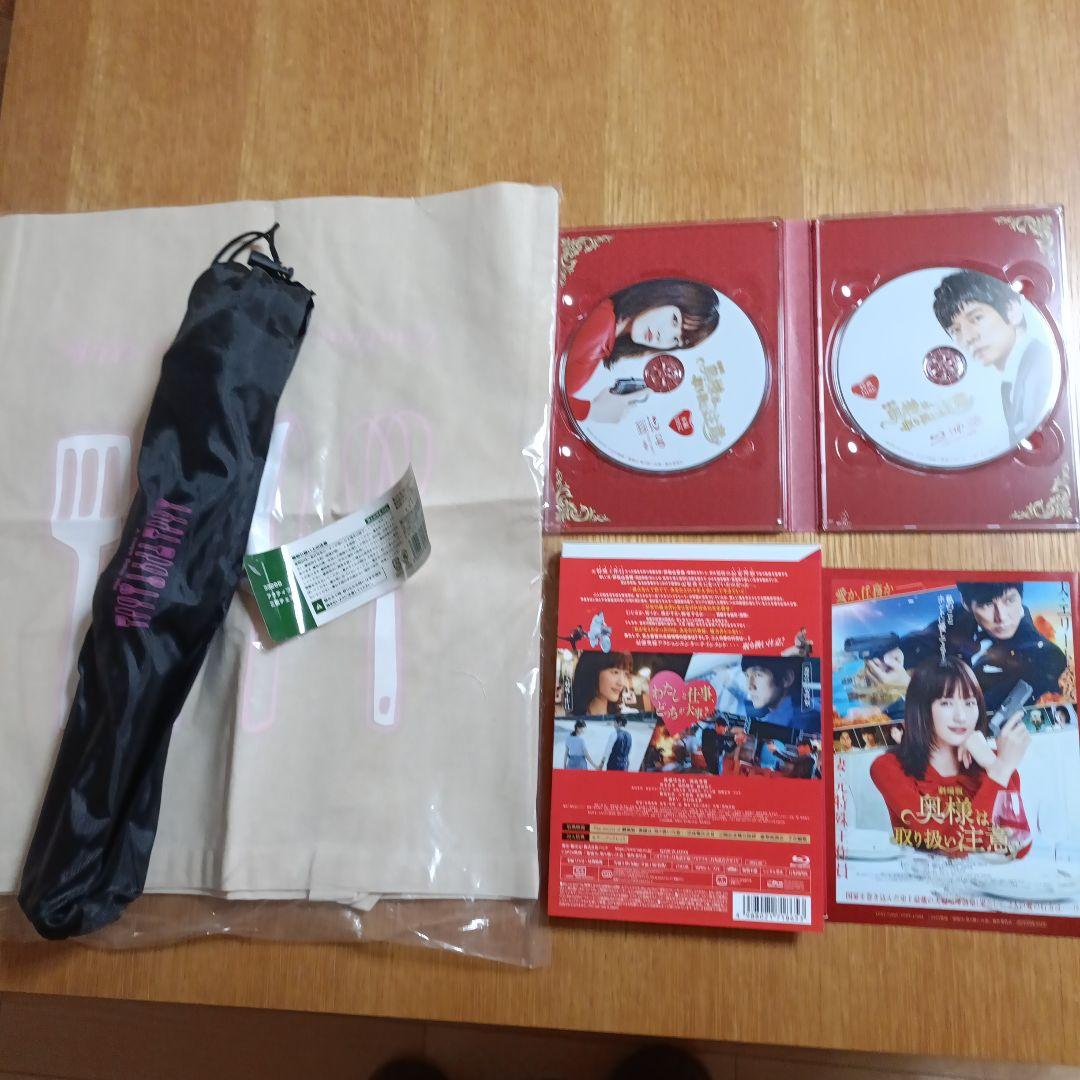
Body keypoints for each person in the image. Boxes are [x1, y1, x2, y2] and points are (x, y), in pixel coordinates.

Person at [870, 656, 1031, 857]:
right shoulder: (888, 767)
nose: (961, 717)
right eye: (946, 703)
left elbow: (1016, 848)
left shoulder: (996, 762)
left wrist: (994, 765)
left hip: (989, 878)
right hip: (920, 877)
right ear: (921, 708)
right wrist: (999, 773)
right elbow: (950, 846)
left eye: (969, 703)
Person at [865, 582, 1067, 713]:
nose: (1002, 617)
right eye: (986, 605)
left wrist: (910, 688)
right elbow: (924, 640)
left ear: (1020, 596)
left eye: (1010, 600)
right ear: (967, 604)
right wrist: (897, 654)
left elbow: (980, 716)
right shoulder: (959, 615)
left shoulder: (1046, 657)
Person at [563, 278, 719, 424]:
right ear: (664, 294)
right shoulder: (603, 323)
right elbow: (548, 389)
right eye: (674, 319)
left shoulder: (608, 336)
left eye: (676, 339)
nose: (663, 335)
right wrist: (592, 411)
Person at [933, 270, 1055, 444]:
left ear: (1012, 310)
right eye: (956, 330)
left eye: (977, 318)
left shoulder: (1041, 369)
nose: (968, 337)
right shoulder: (1015, 375)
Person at [740, 656, 821, 733]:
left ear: (786, 678)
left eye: (758, 675)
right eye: (747, 676)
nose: (750, 686)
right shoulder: (808, 708)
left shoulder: (802, 722)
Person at [568, 651, 634, 716]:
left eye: (626, 674)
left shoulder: (628, 716)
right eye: (615, 672)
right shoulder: (569, 719)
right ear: (592, 671)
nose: (621, 683)